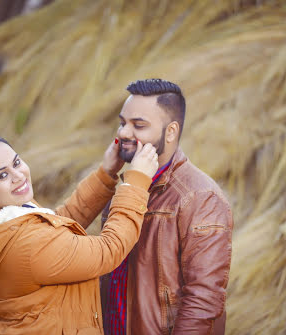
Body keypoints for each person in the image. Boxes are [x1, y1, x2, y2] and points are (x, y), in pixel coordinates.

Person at [0, 135, 159, 335]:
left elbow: (58, 228)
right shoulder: (27, 244)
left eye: (17, 162)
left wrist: (105, 173)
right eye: (2, 175)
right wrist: (136, 182)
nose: (18, 176)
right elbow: (108, 250)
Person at [101, 79, 233, 335]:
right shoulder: (126, 186)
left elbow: (203, 300)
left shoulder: (200, 197)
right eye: (122, 123)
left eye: (138, 125)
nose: (124, 133)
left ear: (170, 132)